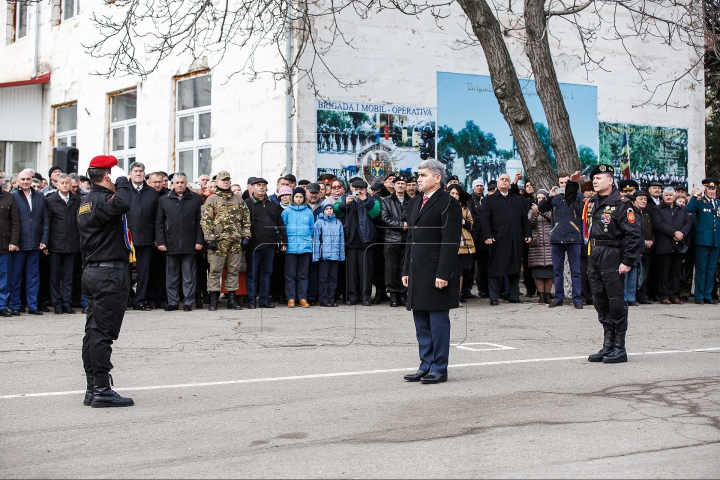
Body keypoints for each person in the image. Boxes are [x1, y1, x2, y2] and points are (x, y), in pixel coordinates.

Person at [567, 165, 643, 364]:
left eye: (599, 178)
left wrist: (627, 261)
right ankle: (608, 345)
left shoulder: (622, 203)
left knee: (616, 301)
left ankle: (620, 347)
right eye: (594, 178)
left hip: (613, 253)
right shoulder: (591, 203)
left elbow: (634, 235)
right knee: (600, 300)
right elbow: (572, 202)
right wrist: (572, 184)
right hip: (595, 253)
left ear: (610, 180)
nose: (595, 181)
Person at [78, 155, 134, 407]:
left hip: (95, 272)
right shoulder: (102, 200)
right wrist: (122, 179)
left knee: (93, 332)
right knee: (102, 334)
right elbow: (124, 202)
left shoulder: (87, 201)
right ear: (107, 176)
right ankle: (101, 389)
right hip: (108, 274)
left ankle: (93, 388)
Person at [402, 159, 462, 384]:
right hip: (417, 269)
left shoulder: (448, 203)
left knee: (437, 322)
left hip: (437, 271)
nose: (418, 179)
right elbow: (411, 239)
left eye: (423, 175)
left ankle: (439, 367)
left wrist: (443, 274)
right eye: (418, 174)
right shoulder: (415, 202)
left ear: (437, 178)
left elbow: (450, 241)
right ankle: (425, 364)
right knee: (421, 321)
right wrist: (406, 269)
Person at [201, 171, 252, 311]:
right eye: (223, 180)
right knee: (215, 271)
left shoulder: (238, 199)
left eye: (228, 180)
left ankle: (231, 299)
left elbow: (246, 220)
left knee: (233, 271)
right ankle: (213, 300)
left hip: (235, 241)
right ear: (217, 182)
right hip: (218, 242)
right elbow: (206, 221)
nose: (226, 182)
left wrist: (246, 236)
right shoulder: (212, 199)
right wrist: (209, 238)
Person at [480, 174, 532, 305]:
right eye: (502, 179)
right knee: (495, 268)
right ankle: (494, 297)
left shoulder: (517, 199)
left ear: (510, 184)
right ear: (497, 183)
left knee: (514, 268)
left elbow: (524, 219)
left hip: (515, 239)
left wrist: (528, 234)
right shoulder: (489, 200)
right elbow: (485, 220)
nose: (504, 181)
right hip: (497, 239)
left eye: (507, 180)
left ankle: (514, 296)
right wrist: (487, 236)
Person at [155, 172, 204, 311]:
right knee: (172, 276)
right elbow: (159, 223)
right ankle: (173, 302)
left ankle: (188, 302)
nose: (180, 185)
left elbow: (200, 223)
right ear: (172, 184)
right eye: (177, 183)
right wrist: (161, 242)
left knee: (189, 275)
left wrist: (199, 240)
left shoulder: (195, 199)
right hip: (171, 243)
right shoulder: (164, 199)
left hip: (190, 242)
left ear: (186, 183)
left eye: (182, 182)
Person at [539, 173, 584, 309]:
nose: (564, 185)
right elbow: (541, 208)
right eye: (562, 183)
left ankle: (577, 299)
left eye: (566, 182)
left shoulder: (579, 197)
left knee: (575, 271)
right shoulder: (554, 198)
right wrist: (549, 197)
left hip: (574, 237)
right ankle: (559, 298)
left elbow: (581, 210)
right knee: (557, 271)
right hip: (557, 238)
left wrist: (572, 192)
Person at [334, 178, 380, 306]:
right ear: (351, 189)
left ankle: (365, 297)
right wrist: (345, 204)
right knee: (350, 272)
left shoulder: (372, 200)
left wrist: (366, 201)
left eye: (361, 190)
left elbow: (376, 213)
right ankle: (351, 297)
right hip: (349, 240)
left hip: (366, 240)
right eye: (356, 190)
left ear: (366, 190)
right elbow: (335, 210)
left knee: (366, 272)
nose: (358, 192)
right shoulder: (344, 198)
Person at [10, 169, 49, 316]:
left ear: (31, 180)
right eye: (23, 179)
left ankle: (32, 305)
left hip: (35, 243)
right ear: (18, 181)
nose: (25, 182)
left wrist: (44, 240)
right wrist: (14, 241)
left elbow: (46, 220)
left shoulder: (40, 197)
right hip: (19, 244)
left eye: (28, 179)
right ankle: (15, 305)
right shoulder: (13, 196)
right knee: (16, 277)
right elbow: (11, 221)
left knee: (33, 277)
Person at [245, 178, 287, 309]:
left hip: (269, 246)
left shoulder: (273, 205)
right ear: (253, 187)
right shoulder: (246, 204)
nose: (261, 187)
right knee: (252, 275)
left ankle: (264, 300)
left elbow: (280, 224)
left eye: (264, 185)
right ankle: (251, 301)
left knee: (267, 274)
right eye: (259, 185)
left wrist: (283, 241)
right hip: (253, 246)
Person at [45, 174, 81, 314]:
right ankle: (57, 303)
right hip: (56, 244)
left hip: (72, 243)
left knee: (69, 276)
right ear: (57, 184)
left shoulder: (77, 200)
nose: (65, 185)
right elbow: (47, 223)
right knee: (54, 276)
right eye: (62, 183)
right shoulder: (50, 200)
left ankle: (67, 302)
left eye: (67, 183)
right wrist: (46, 243)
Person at [649, 186, 691, 304]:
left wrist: (682, 233)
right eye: (666, 195)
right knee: (664, 272)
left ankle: (674, 294)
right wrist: (674, 232)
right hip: (664, 245)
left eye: (671, 195)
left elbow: (688, 222)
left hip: (678, 245)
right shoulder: (658, 209)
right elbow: (659, 224)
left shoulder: (681, 209)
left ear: (674, 196)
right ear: (663, 196)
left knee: (676, 272)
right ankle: (664, 295)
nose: (668, 197)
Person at [125, 162, 158, 311]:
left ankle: (140, 301)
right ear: (130, 173)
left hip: (146, 236)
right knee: (124, 271)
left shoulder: (152, 192)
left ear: (145, 174)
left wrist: (157, 237)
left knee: (144, 272)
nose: (138, 173)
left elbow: (158, 217)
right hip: (127, 239)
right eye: (135, 171)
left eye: (141, 171)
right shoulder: (123, 191)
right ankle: (126, 299)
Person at [685, 178, 720, 304]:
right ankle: (699, 295)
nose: (712, 191)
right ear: (705, 189)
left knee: (711, 269)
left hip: (715, 241)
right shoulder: (700, 202)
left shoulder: (718, 203)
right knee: (701, 269)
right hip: (702, 241)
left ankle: (708, 295)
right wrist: (695, 195)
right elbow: (689, 209)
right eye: (709, 189)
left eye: (714, 189)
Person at [281, 187, 315, 307]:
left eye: (301, 197)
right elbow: (282, 228)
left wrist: (306, 240)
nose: (299, 199)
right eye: (297, 197)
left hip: (305, 246)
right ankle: (290, 298)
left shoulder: (308, 212)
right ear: (293, 198)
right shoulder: (286, 212)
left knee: (303, 274)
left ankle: (302, 298)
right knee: (290, 274)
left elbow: (311, 229)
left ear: (304, 198)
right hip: (291, 247)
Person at [380, 175, 409, 307]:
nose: (401, 185)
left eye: (403, 183)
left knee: (404, 268)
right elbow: (385, 218)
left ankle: (403, 294)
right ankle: (393, 295)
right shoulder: (386, 200)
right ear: (394, 185)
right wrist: (401, 225)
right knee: (391, 268)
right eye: (398, 183)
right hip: (391, 239)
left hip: (407, 239)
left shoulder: (412, 201)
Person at [313, 199, 345, 307]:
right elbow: (316, 240)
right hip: (324, 255)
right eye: (327, 209)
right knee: (323, 278)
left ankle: (332, 298)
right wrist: (316, 255)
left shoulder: (338, 223)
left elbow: (341, 240)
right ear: (323, 211)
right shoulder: (319, 222)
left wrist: (341, 255)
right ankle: (324, 299)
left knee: (333, 278)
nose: (329, 211)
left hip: (335, 255)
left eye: (331, 208)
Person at [447, 185, 475, 307]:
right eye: (452, 193)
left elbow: (471, 224)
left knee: (460, 271)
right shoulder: (443, 207)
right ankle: (446, 297)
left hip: (463, 244)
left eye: (456, 194)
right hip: (447, 243)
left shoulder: (465, 208)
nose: (454, 196)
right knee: (448, 271)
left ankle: (456, 297)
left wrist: (463, 221)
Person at [528, 189, 554, 304]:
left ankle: (548, 295)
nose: (540, 200)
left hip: (549, 244)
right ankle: (541, 296)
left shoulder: (551, 209)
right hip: (536, 245)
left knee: (549, 272)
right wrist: (535, 213)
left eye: (542, 197)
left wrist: (540, 211)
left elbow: (552, 219)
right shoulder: (531, 211)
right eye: (538, 198)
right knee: (538, 273)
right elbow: (530, 224)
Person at [0, 183, 19, 317]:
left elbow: (15, 222)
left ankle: (2, 305)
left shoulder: (9, 197)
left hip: (4, 244)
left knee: (4, 278)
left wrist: (13, 241)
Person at [633, 190, 655, 305]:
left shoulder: (646, 214)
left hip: (647, 249)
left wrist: (652, 241)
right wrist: (643, 242)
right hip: (636, 248)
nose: (643, 201)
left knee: (645, 273)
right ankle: (634, 296)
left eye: (645, 199)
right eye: (641, 199)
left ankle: (643, 295)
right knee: (635, 273)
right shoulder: (633, 213)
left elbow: (652, 230)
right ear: (635, 200)